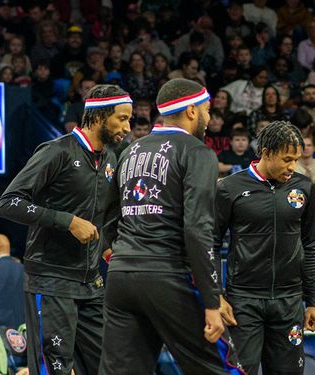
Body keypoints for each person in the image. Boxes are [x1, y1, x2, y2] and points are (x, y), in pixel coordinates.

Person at [100, 79, 242, 374]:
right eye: (205, 109)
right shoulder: (198, 152)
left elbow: (108, 216)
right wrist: (212, 298)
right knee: (222, 367)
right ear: (191, 111)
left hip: (122, 276)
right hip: (168, 273)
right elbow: (197, 229)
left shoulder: (130, 151)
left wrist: (117, 255)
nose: (208, 116)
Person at [0, 85, 132, 375]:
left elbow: (102, 217)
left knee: (108, 366)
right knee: (54, 370)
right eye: (121, 118)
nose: (127, 127)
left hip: (91, 284)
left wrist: (107, 247)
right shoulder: (55, 151)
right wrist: (67, 221)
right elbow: (9, 203)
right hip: (50, 280)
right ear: (98, 117)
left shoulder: (111, 158)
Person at [214, 121, 315, 374]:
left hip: (289, 302)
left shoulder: (304, 187)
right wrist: (215, 295)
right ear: (266, 153)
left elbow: (310, 244)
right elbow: (210, 243)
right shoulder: (229, 188)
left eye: (296, 159)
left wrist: (313, 301)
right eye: (286, 159)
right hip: (243, 302)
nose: (292, 167)